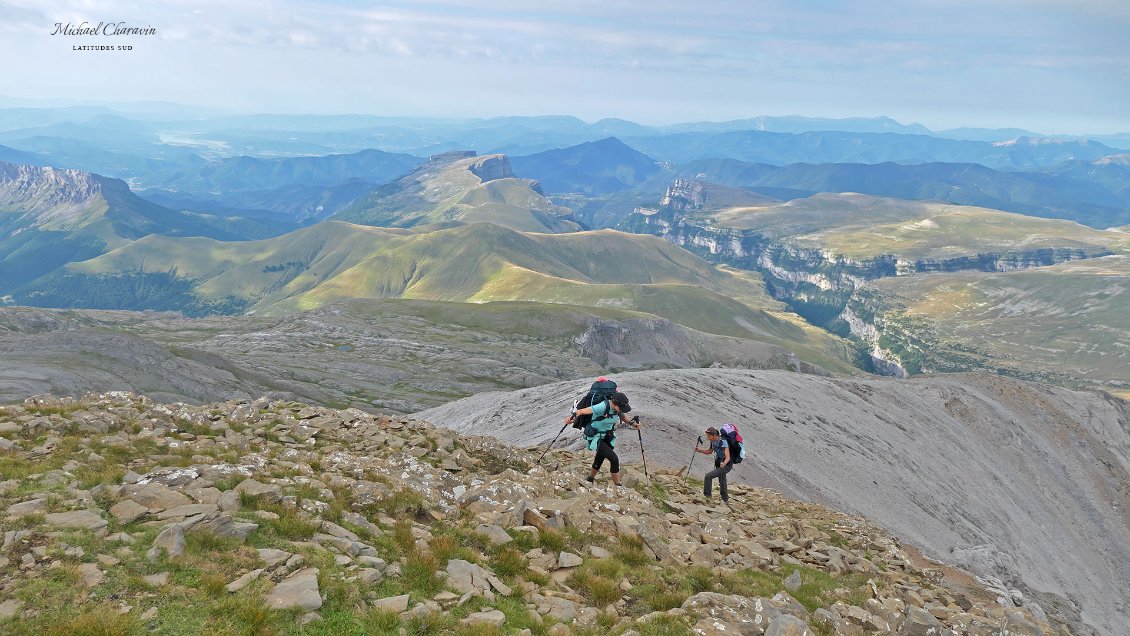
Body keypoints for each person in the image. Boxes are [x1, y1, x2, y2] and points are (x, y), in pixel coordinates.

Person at [565, 390, 638, 486]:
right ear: (614, 403)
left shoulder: (617, 410)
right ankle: (618, 486)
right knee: (614, 459)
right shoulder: (602, 406)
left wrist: (633, 424)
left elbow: (623, 417)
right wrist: (571, 419)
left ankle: (590, 478)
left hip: (607, 435)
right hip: (595, 436)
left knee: (600, 457)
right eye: (620, 407)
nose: (621, 409)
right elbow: (582, 411)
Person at [695, 426, 731, 503]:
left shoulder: (723, 442)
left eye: (709, 436)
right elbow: (709, 451)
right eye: (707, 436)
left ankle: (707, 496)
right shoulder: (713, 441)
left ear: (714, 435)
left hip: (726, 465)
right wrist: (699, 450)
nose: (708, 438)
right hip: (719, 464)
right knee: (722, 481)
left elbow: (728, 457)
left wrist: (724, 463)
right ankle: (725, 499)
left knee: (708, 476)